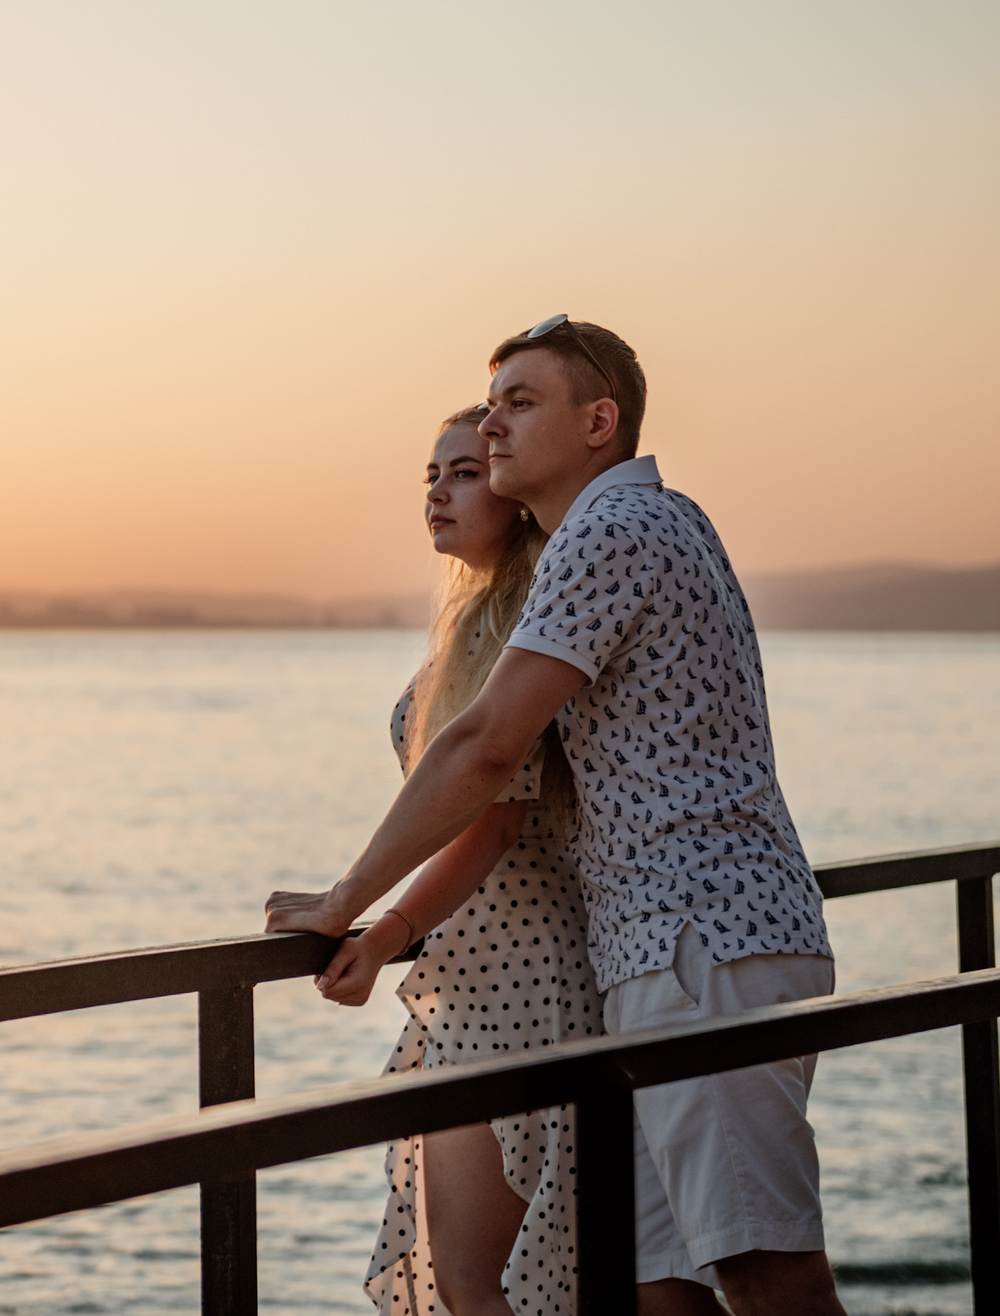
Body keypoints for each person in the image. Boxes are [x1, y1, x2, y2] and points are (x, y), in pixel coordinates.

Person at [268, 317, 844, 1316]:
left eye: (519, 403)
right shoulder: (654, 520)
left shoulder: (615, 528)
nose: (492, 426)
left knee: (762, 1270)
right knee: (659, 1286)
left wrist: (348, 899)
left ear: (598, 421)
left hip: (698, 939)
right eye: (489, 404)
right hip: (665, 951)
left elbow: (489, 746)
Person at [309, 404, 604, 1316]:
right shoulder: (474, 616)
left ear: (515, 495)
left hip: (520, 979)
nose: (438, 490)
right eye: (431, 474)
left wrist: (379, 918)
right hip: (474, 975)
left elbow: (495, 817)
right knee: (484, 1280)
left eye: (466, 472)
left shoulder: (525, 616)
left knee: (486, 1283)